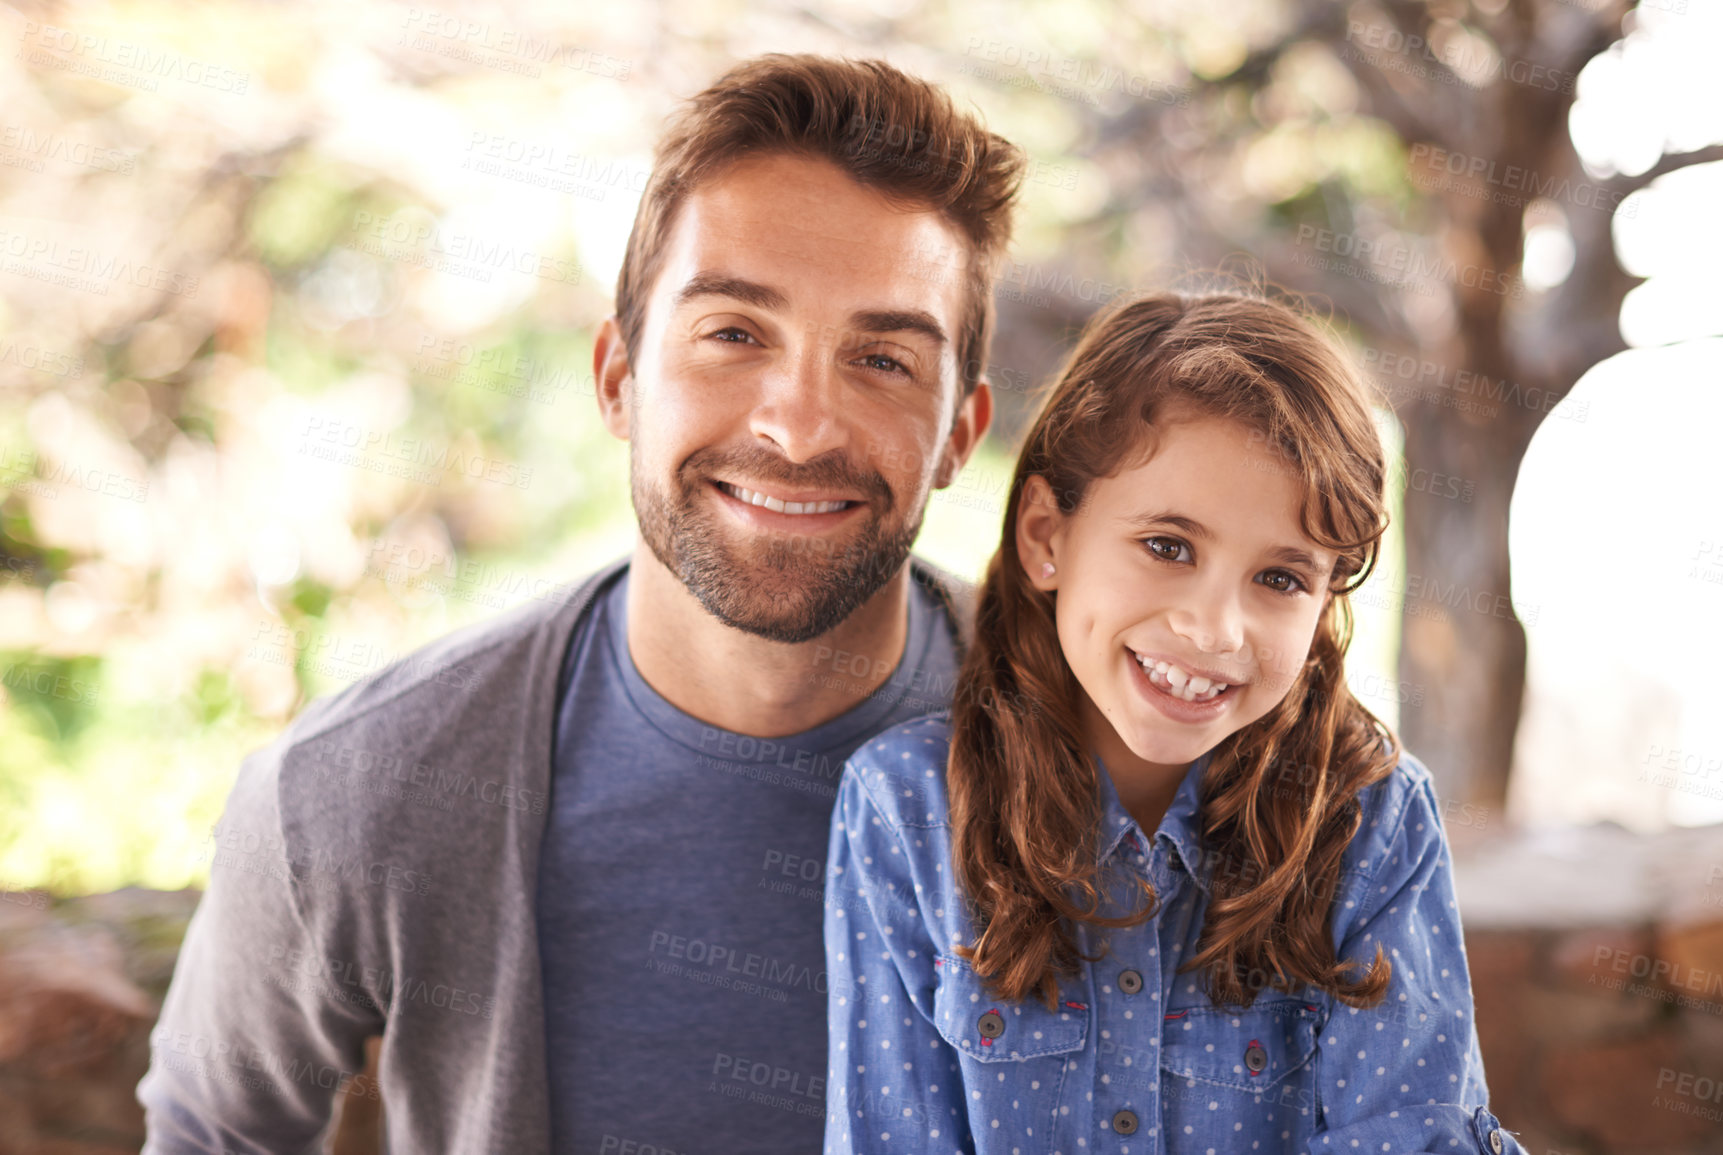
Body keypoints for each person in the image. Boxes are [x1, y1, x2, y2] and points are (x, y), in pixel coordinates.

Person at [139, 54, 1023, 1154]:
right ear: (618, 380)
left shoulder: (1117, 754)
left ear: (961, 433)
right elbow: (212, 1134)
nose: (799, 427)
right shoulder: (358, 792)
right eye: (735, 334)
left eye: (884, 359)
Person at [823, 289, 1530, 1154]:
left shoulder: (1371, 823)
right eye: (1167, 546)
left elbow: (1407, 1133)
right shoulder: (904, 807)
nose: (1213, 629)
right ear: (1046, 534)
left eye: (1280, 578)